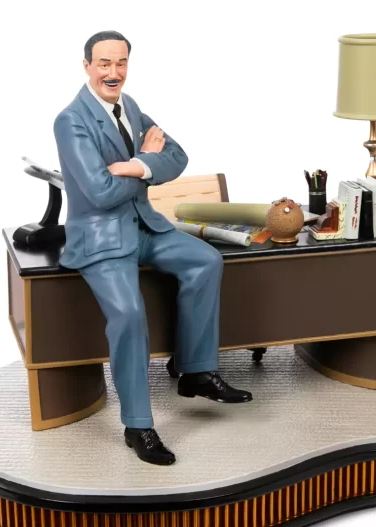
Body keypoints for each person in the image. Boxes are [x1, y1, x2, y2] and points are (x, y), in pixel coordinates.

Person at [53, 30, 252, 466]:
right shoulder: (71, 121)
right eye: (104, 63)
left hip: (144, 226)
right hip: (102, 237)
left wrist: (136, 164)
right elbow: (100, 193)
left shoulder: (130, 106)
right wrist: (145, 162)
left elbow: (177, 156)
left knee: (206, 260)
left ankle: (195, 371)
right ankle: (137, 425)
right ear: (87, 66)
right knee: (128, 314)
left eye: (121, 62)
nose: (113, 72)